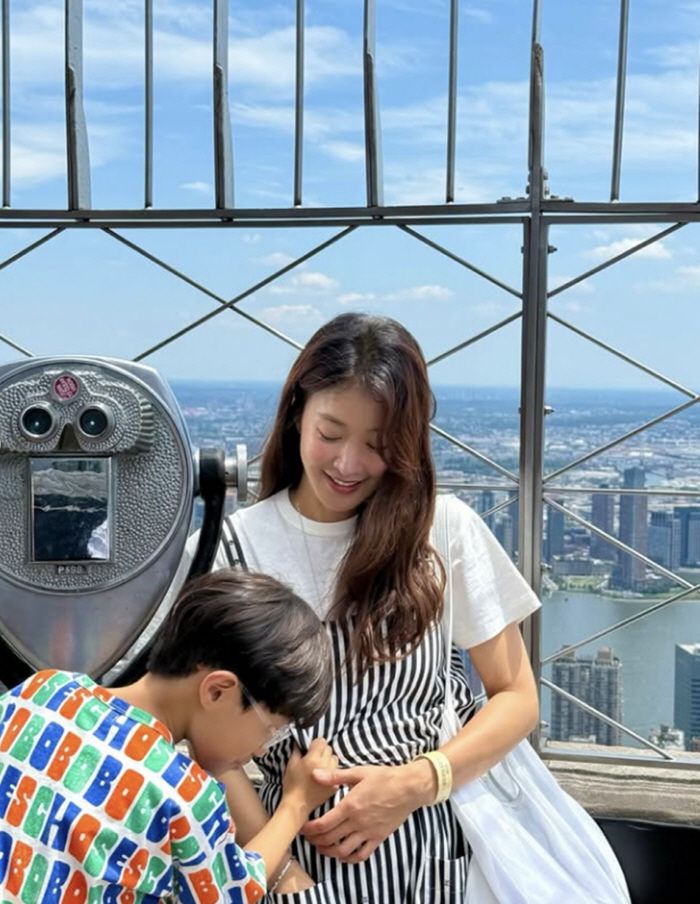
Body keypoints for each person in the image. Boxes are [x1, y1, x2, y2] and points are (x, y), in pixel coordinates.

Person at [212, 312, 541, 902]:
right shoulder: (233, 549)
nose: (348, 464)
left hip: (434, 866)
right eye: (331, 433)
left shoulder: (442, 530)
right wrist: (282, 873)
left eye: (378, 444)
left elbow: (517, 696)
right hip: (299, 867)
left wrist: (419, 782)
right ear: (297, 414)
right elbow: (204, 741)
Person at [0, 570, 338, 902]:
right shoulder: (183, 793)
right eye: (270, 729)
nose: (261, 750)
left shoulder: (43, 689)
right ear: (218, 691)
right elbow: (231, 892)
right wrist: (296, 804)